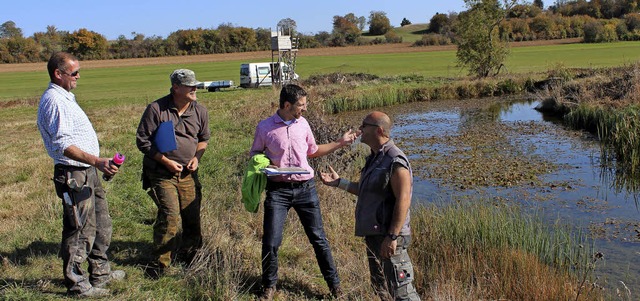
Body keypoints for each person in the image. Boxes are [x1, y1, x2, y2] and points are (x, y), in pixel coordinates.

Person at [250, 84, 356, 300]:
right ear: (287, 105)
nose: (305, 109)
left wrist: (340, 143)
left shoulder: (303, 124)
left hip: (306, 189)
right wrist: (266, 165)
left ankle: (335, 287)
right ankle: (268, 287)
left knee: (318, 239)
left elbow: (313, 151)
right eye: (301, 105)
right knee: (271, 241)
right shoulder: (264, 128)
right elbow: (255, 155)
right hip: (278, 191)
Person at [36, 52, 125, 298]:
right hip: (73, 174)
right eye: (74, 73)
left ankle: (101, 273)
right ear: (58, 73)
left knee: (101, 223)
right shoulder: (54, 100)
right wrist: (97, 160)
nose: (78, 76)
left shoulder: (66, 97)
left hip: (87, 171)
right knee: (80, 230)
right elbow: (63, 144)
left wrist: (95, 164)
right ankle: (78, 284)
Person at [320, 111, 421, 301]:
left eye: (364, 126)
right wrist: (339, 182)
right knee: (381, 288)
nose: (360, 130)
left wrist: (392, 236)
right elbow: (367, 190)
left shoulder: (395, 160)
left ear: (379, 130)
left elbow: (403, 200)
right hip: (375, 235)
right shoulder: (375, 158)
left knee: (402, 293)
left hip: (389, 237)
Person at [136, 69, 210, 277]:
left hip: (187, 174)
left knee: (191, 216)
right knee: (169, 216)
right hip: (161, 172)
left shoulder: (200, 111)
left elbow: (204, 138)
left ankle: (191, 256)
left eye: (196, 85)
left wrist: (197, 158)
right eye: (190, 86)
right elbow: (142, 141)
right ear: (176, 88)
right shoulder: (156, 109)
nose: (195, 89)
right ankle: (159, 264)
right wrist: (166, 161)